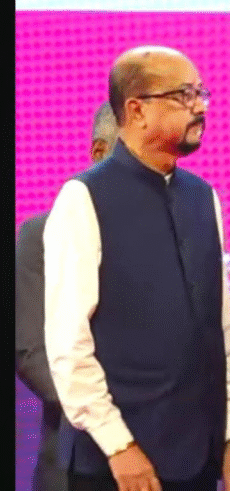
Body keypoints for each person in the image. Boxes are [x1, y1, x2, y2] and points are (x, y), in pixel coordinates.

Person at [44, 45, 230, 491]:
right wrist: (118, 445)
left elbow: (219, 327)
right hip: (116, 466)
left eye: (201, 93)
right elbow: (68, 343)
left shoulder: (203, 197)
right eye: (183, 95)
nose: (200, 107)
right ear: (136, 110)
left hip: (199, 457)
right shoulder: (83, 198)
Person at [16, 103, 119, 491]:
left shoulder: (179, 239)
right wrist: (113, 422)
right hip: (75, 461)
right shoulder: (42, 237)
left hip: (172, 461)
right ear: (100, 153)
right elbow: (32, 352)